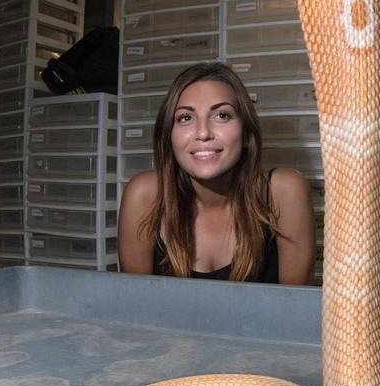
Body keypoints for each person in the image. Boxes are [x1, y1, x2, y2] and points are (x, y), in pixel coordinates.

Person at [117, 61, 316, 284]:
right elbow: (135, 304)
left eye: (222, 115)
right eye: (185, 118)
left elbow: (295, 304)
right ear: (168, 134)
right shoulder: (145, 195)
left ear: (246, 132)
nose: (203, 133)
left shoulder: (284, 192)